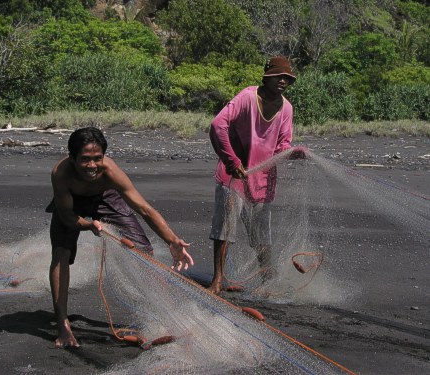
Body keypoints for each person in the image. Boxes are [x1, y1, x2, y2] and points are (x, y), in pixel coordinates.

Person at [46, 127, 194, 348]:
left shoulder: (110, 171)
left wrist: (172, 240)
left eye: (97, 158)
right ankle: (63, 327)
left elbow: (144, 209)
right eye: (85, 159)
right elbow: (67, 217)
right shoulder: (61, 173)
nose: (92, 165)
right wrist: (89, 225)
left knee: (144, 254)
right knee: (60, 253)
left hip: (106, 197)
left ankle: (166, 320)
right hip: (71, 205)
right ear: (72, 157)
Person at [208, 56, 304, 295]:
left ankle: (266, 280)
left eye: (287, 78)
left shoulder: (287, 108)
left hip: (261, 179)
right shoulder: (247, 97)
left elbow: (282, 146)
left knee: (261, 235)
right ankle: (217, 280)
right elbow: (218, 125)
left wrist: (293, 154)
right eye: (278, 76)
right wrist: (232, 160)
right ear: (266, 77)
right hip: (234, 174)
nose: (283, 81)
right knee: (224, 229)